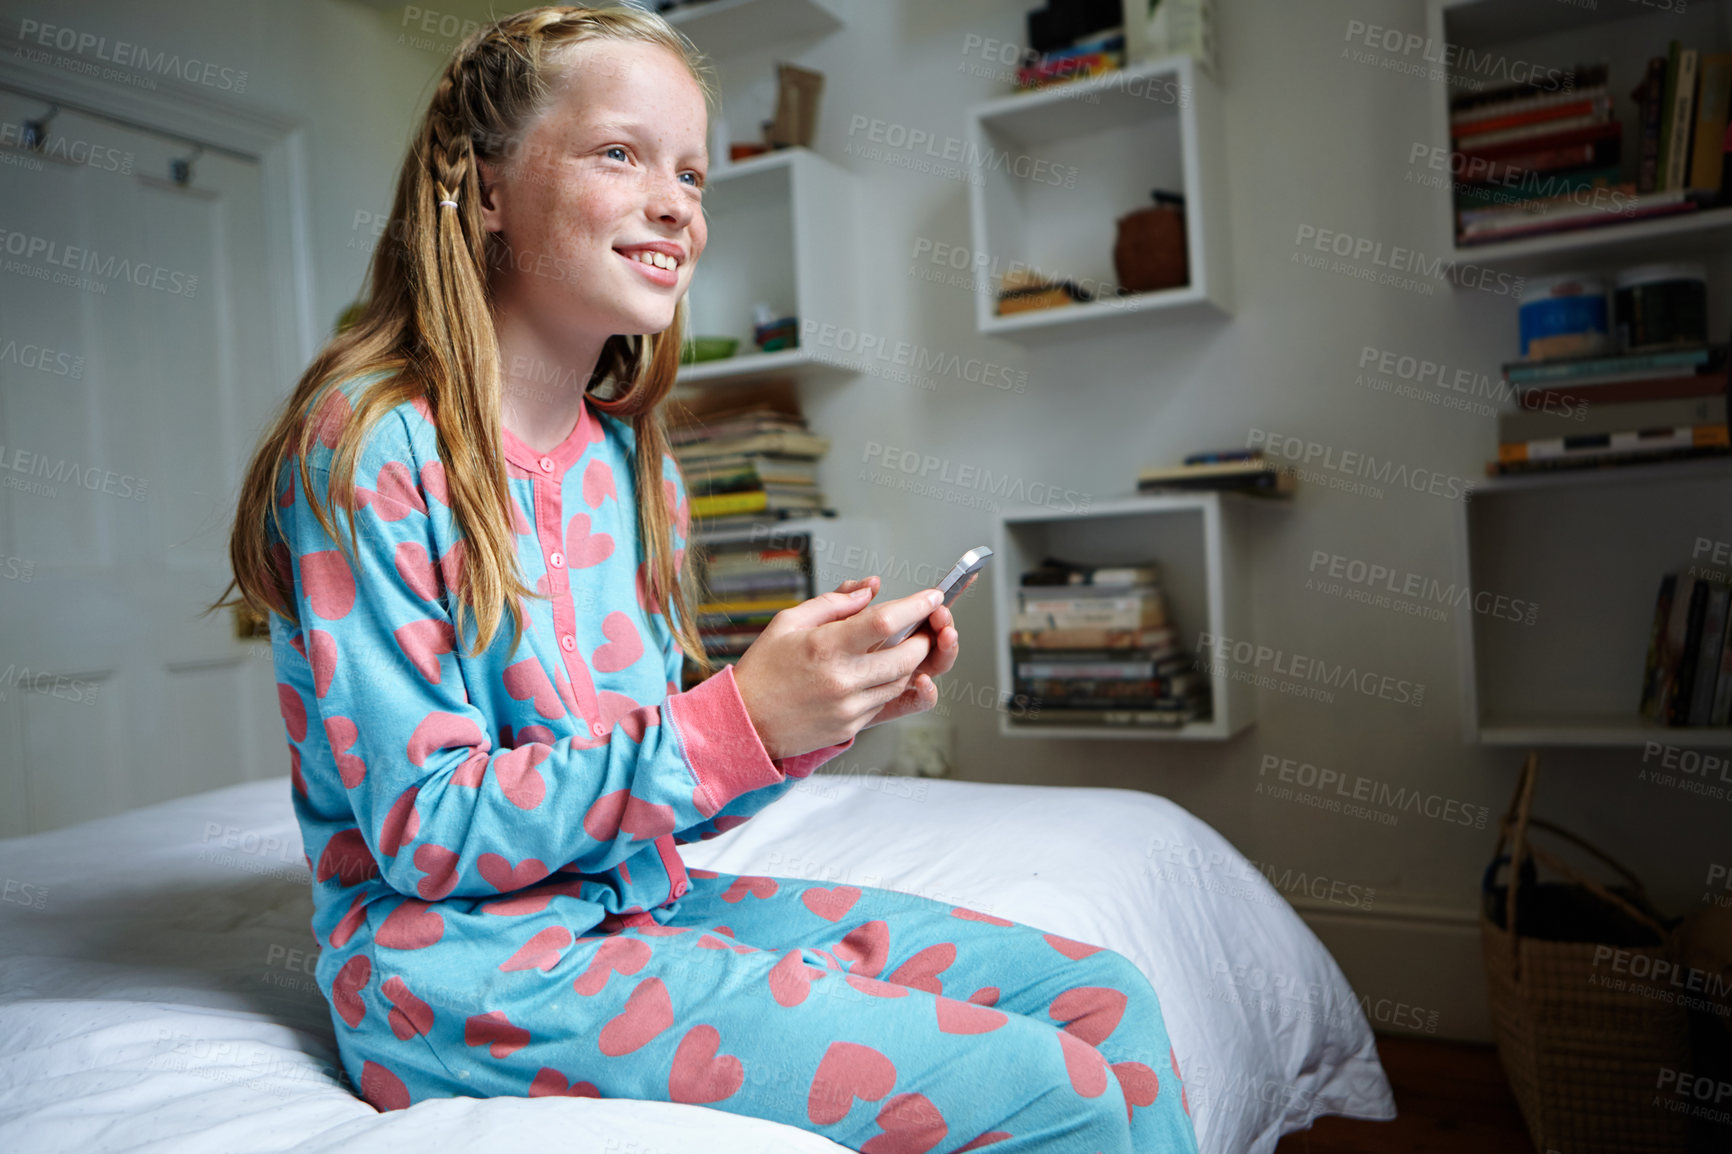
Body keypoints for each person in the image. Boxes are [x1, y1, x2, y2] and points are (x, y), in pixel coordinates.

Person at [212, 7, 1198, 1152]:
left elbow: (655, 789)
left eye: (693, 170)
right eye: (620, 153)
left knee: (1103, 999)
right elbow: (426, 832)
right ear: (485, 192)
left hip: (636, 906)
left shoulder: (631, 464)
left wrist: (800, 721)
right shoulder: (370, 443)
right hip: (461, 973)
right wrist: (734, 720)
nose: (680, 201)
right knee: (1049, 1091)